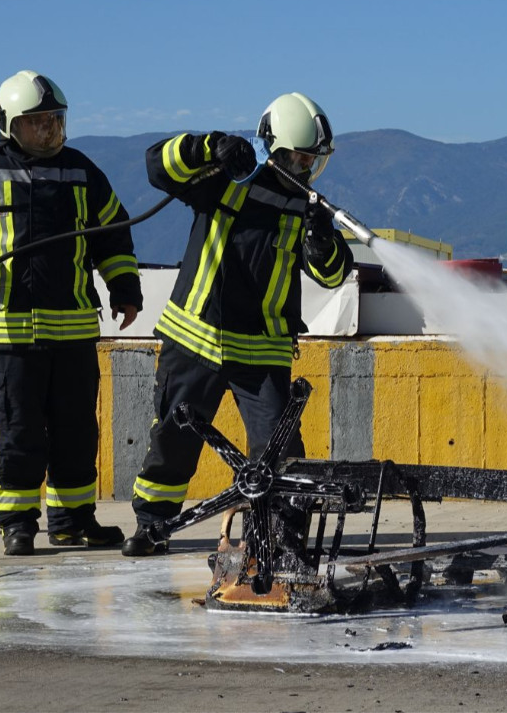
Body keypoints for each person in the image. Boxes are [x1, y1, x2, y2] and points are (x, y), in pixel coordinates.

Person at [122, 93, 353, 556]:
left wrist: (321, 238)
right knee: (173, 439)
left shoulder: (308, 206)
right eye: (295, 156)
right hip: (196, 338)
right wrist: (209, 148)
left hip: (263, 351)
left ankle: (278, 539)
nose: (303, 166)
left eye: (311, 159)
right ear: (271, 145)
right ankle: (153, 527)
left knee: (280, 453)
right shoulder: (226, 179)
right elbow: (156, 165)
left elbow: (332, 274)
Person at [0, 70, 142, 555]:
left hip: (74, 332)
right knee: (18, 429)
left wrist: (125, 287)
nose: (46, 132)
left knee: (76, 430)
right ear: (8, 126)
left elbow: (114, 235)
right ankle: (17, 523)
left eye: (53, 122)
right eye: (35, 124)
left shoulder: (85, 172)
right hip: (10, 334)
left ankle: (72, 521)